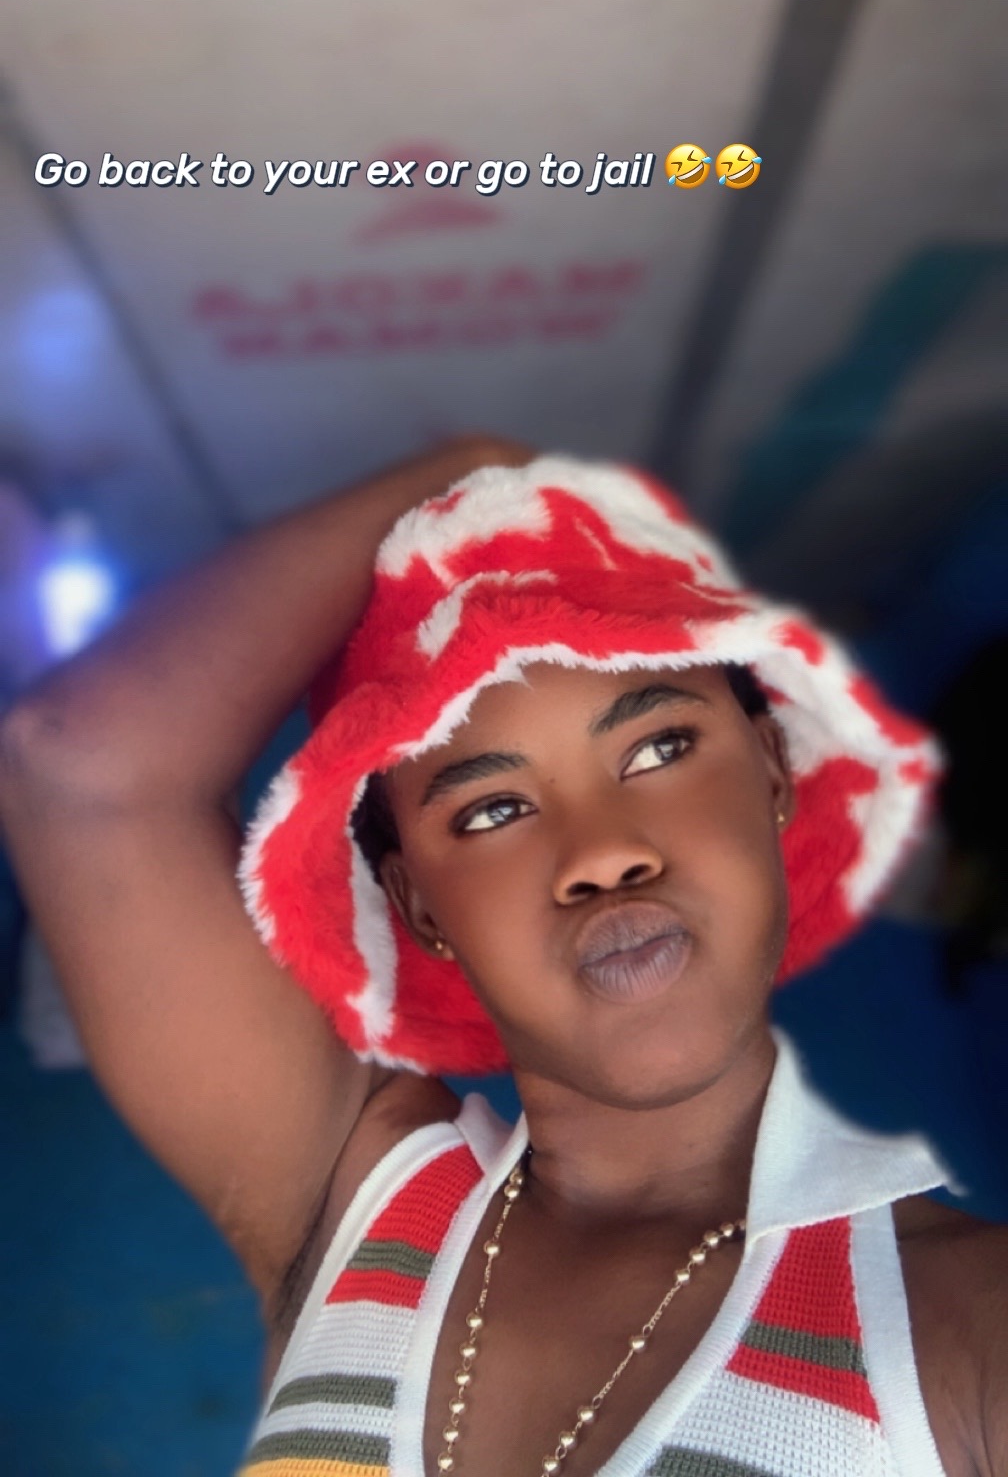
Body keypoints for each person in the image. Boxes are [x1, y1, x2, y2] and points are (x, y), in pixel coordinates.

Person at [1, 436, 1005, 1477]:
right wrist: (467, 468)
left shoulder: (967, 1328)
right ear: (418, 905)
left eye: (659, 748)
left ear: (773, 772)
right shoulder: (353, 1201)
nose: (603, 855)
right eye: (491, 810)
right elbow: (76, 761)